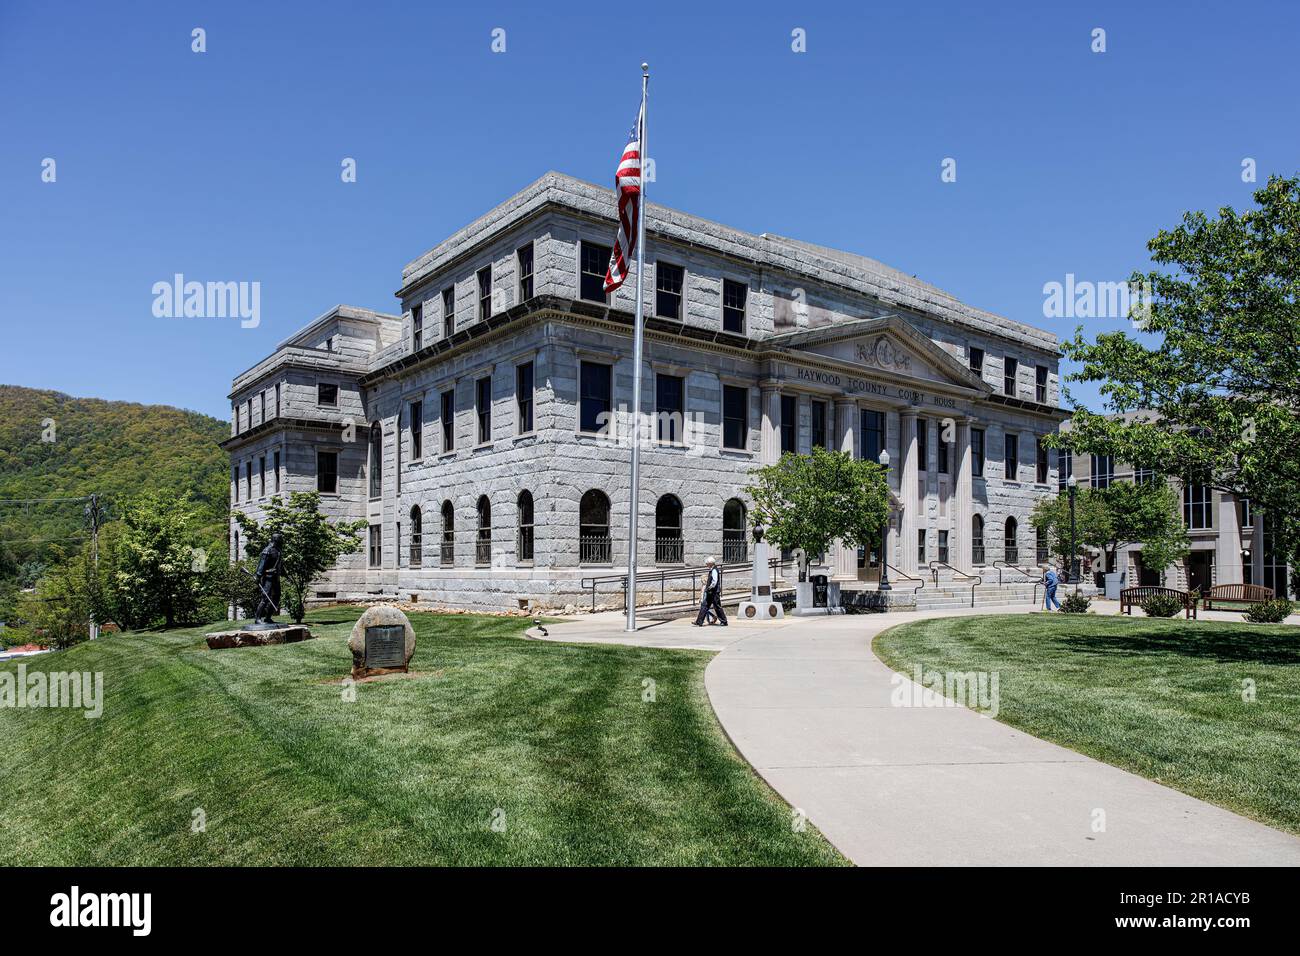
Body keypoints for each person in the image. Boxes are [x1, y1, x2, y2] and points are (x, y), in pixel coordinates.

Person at [693, 556, 728, 627]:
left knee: (717, 606)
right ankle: (699, 621)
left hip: (714, 592)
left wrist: (709, 587)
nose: (706, 565)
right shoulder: (712, 570)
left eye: (707, 563)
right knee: (704, 606)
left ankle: (724, 621)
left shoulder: (714, 570)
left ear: (711, 563)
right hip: (710, 592)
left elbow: (714, 581)